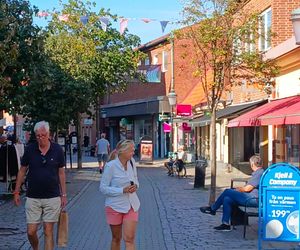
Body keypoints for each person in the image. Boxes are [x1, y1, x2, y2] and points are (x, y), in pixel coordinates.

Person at [13, 121, 67, 250]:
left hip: (52, 196)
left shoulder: (57, 150)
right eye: (38, 136)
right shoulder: (30, 149)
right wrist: (16, 191)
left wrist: (63, 194)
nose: (40, 138)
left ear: (48, 134)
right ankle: (36, 248)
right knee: (31, 232)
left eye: (43, 135)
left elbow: (61, 173)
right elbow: (22, 170)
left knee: (48, 231)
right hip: (33, 197)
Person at [200, 155, 264, 231]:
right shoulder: (259, 172)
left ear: (252, 164)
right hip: (252, 197)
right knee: (227, 199)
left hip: (253, 199)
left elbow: (247, 189)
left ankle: (213, 209)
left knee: (228, 191)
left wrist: (238, 189)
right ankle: (225, 224)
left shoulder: (259, 174)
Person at [100, 139, 140, 250]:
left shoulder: (132, 162)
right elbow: (103, 188)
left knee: (130, 238)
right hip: (114, 206)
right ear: (122, 151)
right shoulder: (111, 166)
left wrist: (135, 186)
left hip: (132, 204)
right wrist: (122, 190)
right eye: (131, 151)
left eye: (133, 150)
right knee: (116, 238)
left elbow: (136, 179)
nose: (133, 153)